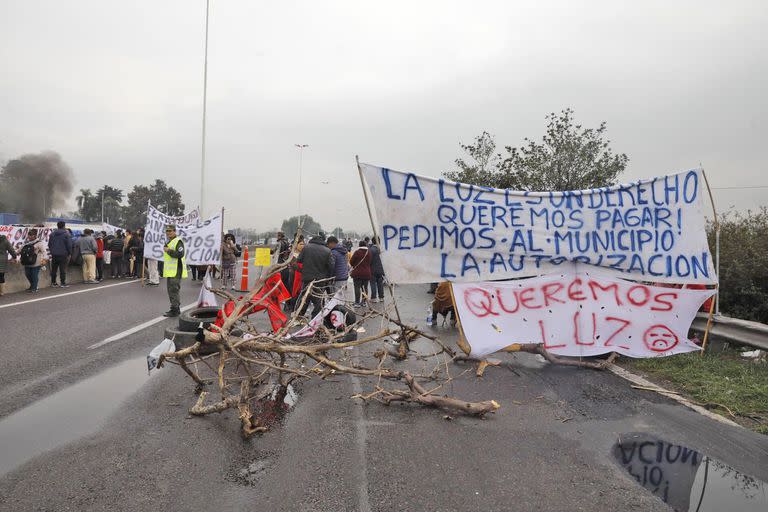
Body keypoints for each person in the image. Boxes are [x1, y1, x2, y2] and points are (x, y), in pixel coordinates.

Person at [296, 232, 333, 316]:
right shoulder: (327, 250)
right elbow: (331, 266)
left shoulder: (306, 248)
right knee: (318, 300)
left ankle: (299, 316)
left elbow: (299, 260)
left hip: (307, 278)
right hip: (320, 280)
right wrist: (328, 278)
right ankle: (315, 317)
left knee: (304, 298)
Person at [162, 224, 187, 317]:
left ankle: (175, 309)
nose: (168, 233)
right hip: (171, 271)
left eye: (170, 231)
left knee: (173, 290)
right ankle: (175, 308)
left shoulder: (178, 241)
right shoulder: (169, 241)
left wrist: (168, 251)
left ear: (174, 231)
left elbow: (180, 254)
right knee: (171, 290)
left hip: (176, 270)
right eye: (167, 231)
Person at [48, 221, 72, 288]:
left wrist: (52, 251)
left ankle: (53, 282)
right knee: (62, 269)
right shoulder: (67, 234)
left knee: (54, 269)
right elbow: (69, 245)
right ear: (64, 226)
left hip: (54, 254)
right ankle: (63, 283)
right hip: (63, 254)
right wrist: (69, 253)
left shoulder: (52, 234)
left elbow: (49, 244)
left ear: (57, 226)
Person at [350, 240, 372, 307]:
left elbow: (351, 262)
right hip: (367, 273)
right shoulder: (369, 252)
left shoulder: (357, 252)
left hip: (357, 273)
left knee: (357, 287)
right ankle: (364, 302)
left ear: (359, 245)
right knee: (365, 288)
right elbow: (370, 262)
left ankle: (357, 302)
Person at [368, 236, 385, 303]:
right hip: (381, 270)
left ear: (372, 241)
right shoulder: (381, 250)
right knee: (380, 284)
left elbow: (369, 260)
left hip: (373, 269)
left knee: (373, 284)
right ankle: (381, 297)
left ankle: (374, 298)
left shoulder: (371, 250)